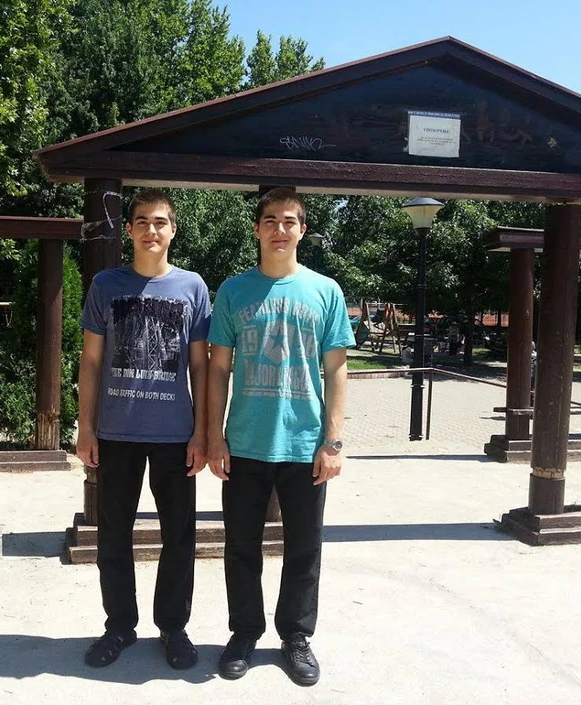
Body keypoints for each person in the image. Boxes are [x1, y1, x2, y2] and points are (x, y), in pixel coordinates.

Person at [207, 187, 355, 686]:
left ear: (302, 230)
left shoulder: (325, 291)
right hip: (245, 441)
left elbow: (337, 370)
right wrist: (214, 436)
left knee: (305, 547)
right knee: (240, 546)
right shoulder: (233, 291)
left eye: (289, 221)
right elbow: (218, 369)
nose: (279, 229)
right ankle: (244, 633)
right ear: (256, 229)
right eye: (270, 220)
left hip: (305, 444)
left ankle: (295, 635)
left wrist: (333, 442)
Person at [77, 188, 211, 670]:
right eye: (142, 222)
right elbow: (91, 360)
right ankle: (119, 626)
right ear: (129, 230)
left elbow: (201, 365)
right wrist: (85, 427)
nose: (151, 230)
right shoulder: (105, 285)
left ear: (173, 230)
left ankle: (173, 627)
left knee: (179, 536)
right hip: (116, 432)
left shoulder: (192, 286)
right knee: (113, 533)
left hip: (176, 434)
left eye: (160, 222)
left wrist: (203, 431)